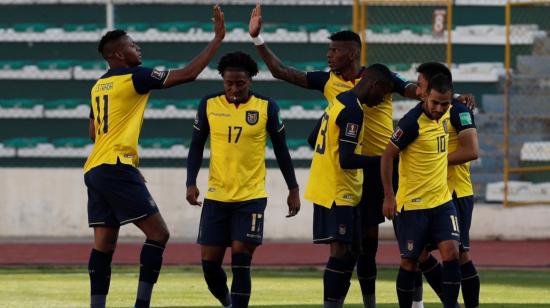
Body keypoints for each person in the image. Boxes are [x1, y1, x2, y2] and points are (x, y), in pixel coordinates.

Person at [249, 5, 417, 306]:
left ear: (351, 54)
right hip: (350, 170)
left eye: (334, 50)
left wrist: (453, 98)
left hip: (380, 171)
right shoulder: (329, 83)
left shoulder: (381, 78)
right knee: (347, 247)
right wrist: (258, 39)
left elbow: (415, 90)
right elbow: (281, 72)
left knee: (373, 246)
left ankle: (370, 301)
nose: (329, 55)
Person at [83, 6, 225, 308]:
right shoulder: (134, 77)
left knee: (104, 245)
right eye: (133, 45)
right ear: (117, 55)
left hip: (95, 168)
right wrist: (216, 40)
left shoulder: (98, 86)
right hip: (115, 167)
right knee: (159, 234)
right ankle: (142, 305)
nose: (138, 48)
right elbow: (189, 74)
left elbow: (94, 131)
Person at [186, 51, 301, 308]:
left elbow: (282, 151)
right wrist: (190, 182)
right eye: (229, 83)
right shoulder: (209, 104)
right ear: (222, 81)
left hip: (251, 196)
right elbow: (196, 146)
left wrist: (293, 188)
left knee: (241, 261)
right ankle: (228, 303)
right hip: (217, 196)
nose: (234, 88)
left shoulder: (266, 107)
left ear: (251, 80)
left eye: (240, 83)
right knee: (209, 266)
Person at [304, 64, 395, 308]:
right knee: (342, 253)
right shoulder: (354, 111)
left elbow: (313, 138)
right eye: (383, 94)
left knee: (353, 251)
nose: (381, 100)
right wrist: (383, 160)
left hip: (334, 187)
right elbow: (347, 159)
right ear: (374, 85)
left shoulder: (339, 101)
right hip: (337, 190)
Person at [381, 74, 461, 308]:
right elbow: (387, 156)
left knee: (452, 253)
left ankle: (450, 305)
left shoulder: (448, 110)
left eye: (444, 104)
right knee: (410, 262)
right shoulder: (410, 123)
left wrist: (461, 99)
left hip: (442, 201)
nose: (439, 108)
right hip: (413, 205)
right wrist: (389, 195)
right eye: (435, 103)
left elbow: (454, 101)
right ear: (426, 96)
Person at [412, 63, 480, 308]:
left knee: (460, 255)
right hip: (429, 194)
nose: (417, 88)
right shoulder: (424, 111)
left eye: (420, 83)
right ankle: (450, 303)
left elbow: (471, 150)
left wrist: (433, 162)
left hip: (455, 192)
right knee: (417, 253)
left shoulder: (459, 109)